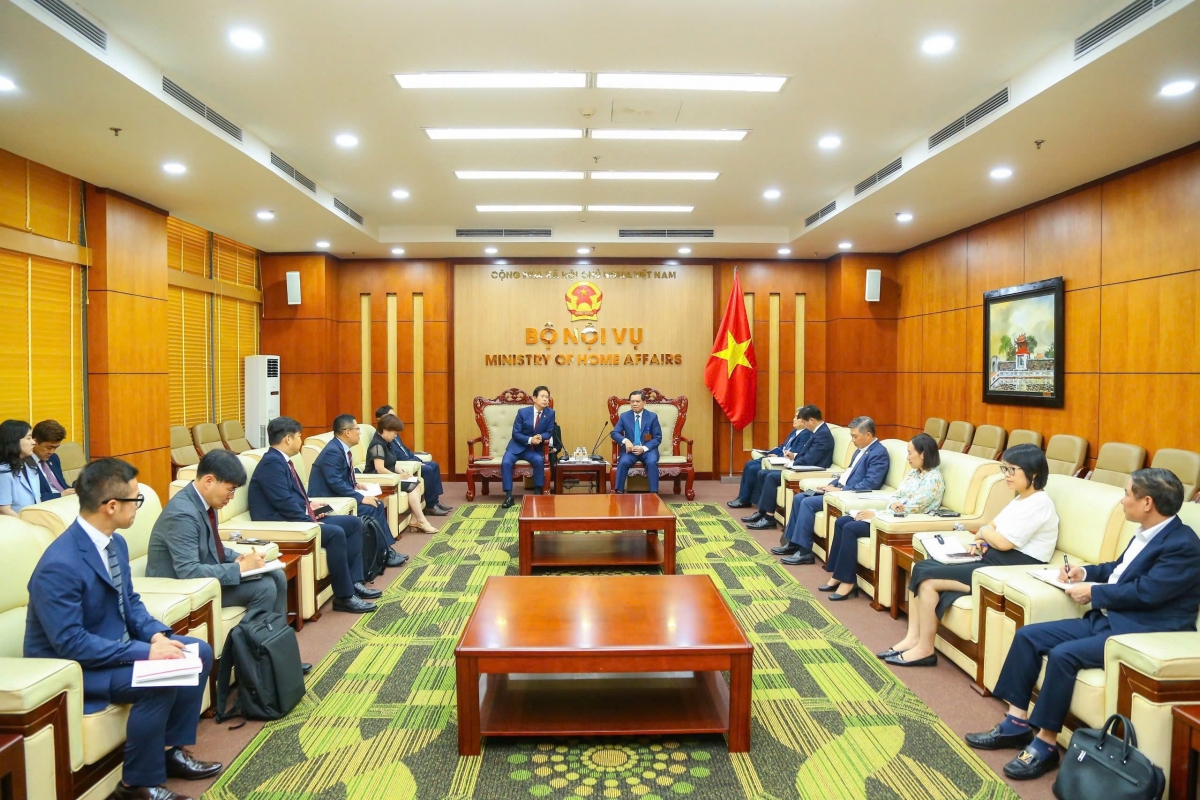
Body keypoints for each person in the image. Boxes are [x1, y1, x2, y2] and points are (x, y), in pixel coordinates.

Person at [966, 468, 1200, 781]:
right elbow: (1119, 570)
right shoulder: (1147, 531)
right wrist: (1085, 574)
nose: (1122, 499)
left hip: (1142, 629)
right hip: (1110, 619)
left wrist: (1094, 592)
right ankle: (1016, 723)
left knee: (1064, 655)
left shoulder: (1183, 545)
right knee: (1028, 636)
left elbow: (1149, 592)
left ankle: (1046, 744)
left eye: (1127, 493)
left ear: (1147, 502)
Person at [24, 458, 222, 800]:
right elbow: (71, 643)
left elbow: (130, 603)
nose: (138, 508)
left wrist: (157, 635)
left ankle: (168, 750)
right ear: (111, 505)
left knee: (198, 652)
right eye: (136, 500)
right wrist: (147, 652)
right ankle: (136, 785)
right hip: (74, 669)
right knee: (163, 678)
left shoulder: (113, 542)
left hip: (111, 651)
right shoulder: (60, 564)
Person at [883, 443, 1059, 667]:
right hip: (994, 558)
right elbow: (992, 526)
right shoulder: (1020, 498)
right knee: (922, 566)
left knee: (927, 580)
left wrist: (984, 534)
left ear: (1033, 473)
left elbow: (1003, 542)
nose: (1007, 475)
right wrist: (981, 538)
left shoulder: (1040, 503)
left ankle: (925, 649)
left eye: (1012, 470)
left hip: (1012, 568)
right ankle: (912, 639)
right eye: (1005, 469)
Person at [144, 451, 310, 673]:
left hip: (205, 579)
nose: (231, 497)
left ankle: (277, 656)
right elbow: (188, 571)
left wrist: (241, 559)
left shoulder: (203, 503)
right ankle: (252, 665)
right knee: (264, 588)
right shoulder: (182, 514)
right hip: (181, 587)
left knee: (277, 576)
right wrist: (239, 568)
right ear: (209, 481)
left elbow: (214, 549)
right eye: (230, 490)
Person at [247, 416, 379, 613]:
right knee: (335, 533)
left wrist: (309, 504)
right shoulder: (272, 464)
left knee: (353, 523)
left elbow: (288, 497)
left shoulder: (281, 461)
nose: (301, 441)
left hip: (293, 515)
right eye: (299, 437)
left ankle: (355, 582)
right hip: (281, 522)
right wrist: (310, 520)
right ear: (288, 439)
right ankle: (343, 597)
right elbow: (283, 503)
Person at [820, 433, 945, 600]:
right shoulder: (913, 473)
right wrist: (892, 505)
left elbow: (913, 508)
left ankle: (848, 581)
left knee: (851, 528)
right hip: (891, 515)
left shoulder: (933, 479)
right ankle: (837, 574)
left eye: (910, 453)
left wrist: (877, 514)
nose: (907, 458)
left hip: (903, 522)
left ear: (923, 454)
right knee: (842, 521)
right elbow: (895, 496)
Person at [774, 416, 890, 565]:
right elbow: (847, 473)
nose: (853, 440)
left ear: (868, 435)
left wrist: (840, 490)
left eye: (855, 436)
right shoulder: (860, 450)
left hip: (847, 494)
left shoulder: (878, 453)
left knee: (808, 503)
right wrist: (831, 484)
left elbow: (870, 483)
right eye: (852, 436)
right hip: (837, 489)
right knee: (801, 496)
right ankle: (792, 543)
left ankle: (804, 552)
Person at [308, 414, 406, 567]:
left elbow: (340, 477)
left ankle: (385, 551)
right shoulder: (333, 451)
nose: (359, 433)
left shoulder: (341, 448)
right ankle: (384, 552)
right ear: (347, 432)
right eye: (357, 429)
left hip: (338, 494)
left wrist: (355, 484)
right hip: (327, 499)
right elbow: (334, 482)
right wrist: (360, 498)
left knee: (377, 504)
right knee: (371, 506)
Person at [745, 405, 837, 532]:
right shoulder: (817, 432)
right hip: (802, 466)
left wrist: (792, 464)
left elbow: (810, 460)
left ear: (811, 420)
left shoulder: (823, 435)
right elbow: (808, 455)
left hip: (810, 471)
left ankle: (769, 518)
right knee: (763, 473)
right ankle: (763, 511)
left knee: (771, 477)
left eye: (804, 422)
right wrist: (794, 455)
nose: (804, 426)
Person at [366, 414, 438, 534]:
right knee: (413, 486)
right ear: (385, 430)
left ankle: (415, 519)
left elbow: (392, 463)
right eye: (394, 433)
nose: (395, 436)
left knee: (416, 482)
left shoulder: (386, 442)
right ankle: (422, 521)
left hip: (390, 476)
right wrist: (399, 477)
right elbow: (380, 469)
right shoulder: (377, 445)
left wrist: (404, 473)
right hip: (379, 479)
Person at [728, 407, 811, 510]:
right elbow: (783, 446)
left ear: (805, 420)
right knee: (749, 464)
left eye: (797, 417)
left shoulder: (806, 434)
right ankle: (743, 498)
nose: (794, 419)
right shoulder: (795, 431)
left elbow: (795, 453)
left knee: (754, 469)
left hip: (782, 462)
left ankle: (746, 500)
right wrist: (769, 453)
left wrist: (778, 456)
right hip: (776, 458)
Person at [374, 405, 450, 516]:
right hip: (404, 463)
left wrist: (417, 460)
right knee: (428, 469)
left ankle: (435, 501)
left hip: (407, 461)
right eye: (391, 416)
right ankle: (430, 505)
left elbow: (406, 450)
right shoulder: (381, 440)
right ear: (381, 420)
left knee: (434, 465)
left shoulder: (392, 434)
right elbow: (396, 457)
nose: (395, 418)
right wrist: (412, 464)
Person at [501, 386, 555, 508]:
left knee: (538, 461)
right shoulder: (523, 412)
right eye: (542, 396)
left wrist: (540, 437)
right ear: (534, 398)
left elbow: (549, 432)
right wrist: (531, 440)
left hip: (532, 450)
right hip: (516, 447)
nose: (545, 399)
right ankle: (509, 496)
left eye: (547, 397)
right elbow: (515, 433)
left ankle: (537, 492)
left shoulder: (550, 413)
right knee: (506, 463)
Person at [612, 390, 663, 494]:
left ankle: (654, 493)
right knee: (623, 462)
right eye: (632, 401)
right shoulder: (624, 416)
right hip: (630, 451)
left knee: (652, 462)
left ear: (644, 402)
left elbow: (658, 437)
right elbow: (614, 433)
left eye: (637, 401)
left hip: (647, 450)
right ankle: (618, 492)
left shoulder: (652, 417)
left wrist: (643, 448)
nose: (634, 404)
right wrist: (625, 441)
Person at [0, 419, 41, 517]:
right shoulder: (3, 472)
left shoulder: (30, 465)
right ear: (14, 441)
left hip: (35, 519)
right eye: (28, 438)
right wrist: (28, 525)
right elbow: (4, 510)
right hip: (17, 526)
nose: (33, 442)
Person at [31, 419, 74, 499]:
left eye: (56, 447)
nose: (52, 452)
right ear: (35, 442)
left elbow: (62, 486)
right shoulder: (24, 463)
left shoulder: (54, 458)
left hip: (65, 501)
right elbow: (30, 498)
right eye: (49, 447)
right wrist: (60, 495)